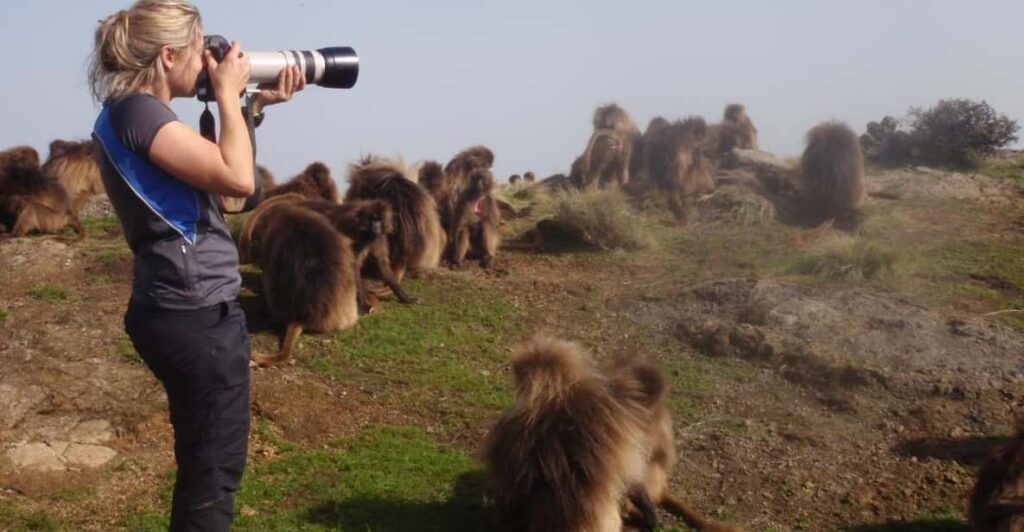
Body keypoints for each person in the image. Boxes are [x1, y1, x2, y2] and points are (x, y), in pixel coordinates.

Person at [88, 1, 304, 529]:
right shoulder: (138, 112)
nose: (207, 62)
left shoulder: (134, 114)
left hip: (184, 310)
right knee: (212, 475)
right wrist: (229, 95)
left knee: (207, 464)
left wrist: (248, 111)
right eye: (198, 50)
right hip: (193, 316)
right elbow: (237, 180)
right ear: (167, 56)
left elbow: (230, 196)